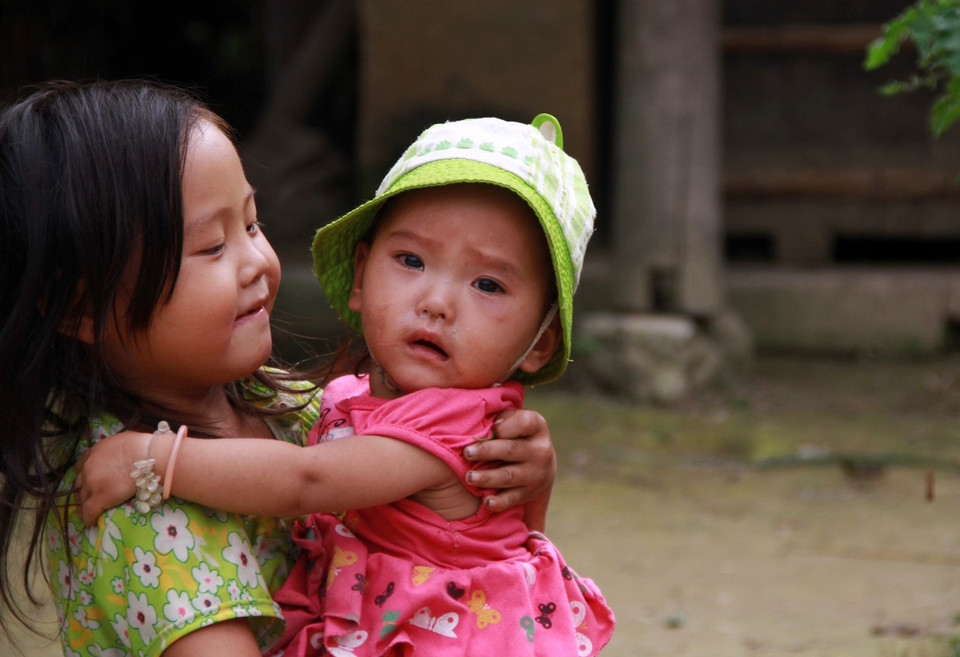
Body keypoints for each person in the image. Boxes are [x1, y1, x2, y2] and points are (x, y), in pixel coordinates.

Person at [0, 80, 558, 657]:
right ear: (82, 309)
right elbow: (304, 479)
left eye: (250, 223)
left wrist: (519, 475)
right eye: (213, 246)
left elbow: (473, 545)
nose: (259, 263)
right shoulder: (139, 507)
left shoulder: (281, 402)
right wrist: (157, 461)